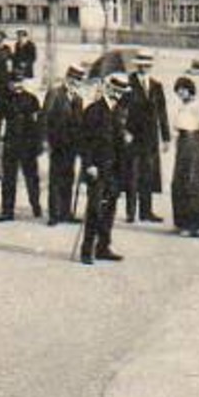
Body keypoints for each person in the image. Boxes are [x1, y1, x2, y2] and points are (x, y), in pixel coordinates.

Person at [79, 74, 128, 265]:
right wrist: (89, 165)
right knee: (94, 209)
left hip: (114, 169)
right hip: (97, 168)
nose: (118, 94)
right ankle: (87, 249)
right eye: (116, 90)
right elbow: (84, 141)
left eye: (122, 91)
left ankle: (103, 247)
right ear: (108, 89)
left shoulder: (119, 111)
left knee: (110, 208)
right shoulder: (93, 110)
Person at [119, 48, 171, 223]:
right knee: (132, 175)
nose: (144, 68)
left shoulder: (157, 86)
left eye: (147, 66)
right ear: (137, 66)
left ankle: (146, 211)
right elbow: (119, 111)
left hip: (150, 138)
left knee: (147, 175)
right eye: (141, 65)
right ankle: (131, 212)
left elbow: (162, 113)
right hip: (132, 137)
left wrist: (166, 137)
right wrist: (124, 131)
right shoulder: (128, 84)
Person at [169, 76, 199, 237]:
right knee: (178, 182)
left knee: (193, 183)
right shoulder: (181, 107)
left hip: (195, 144)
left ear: (189, 90)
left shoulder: (198, 106)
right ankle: (180, 221)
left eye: (183, 90)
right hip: (182, 143)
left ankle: (193, 224)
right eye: (178, 91)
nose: (181, 94)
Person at [43, 65, 86, 225]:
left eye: (79, 81)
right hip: (57, 143)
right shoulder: (55, 94)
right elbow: (45, 117)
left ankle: (66, 212)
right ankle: (54, 214)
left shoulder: (78, 99)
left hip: (72, 146)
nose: (76, 83)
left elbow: (79, 123)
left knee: (68, 178)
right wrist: (45, 141)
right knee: (55, 179)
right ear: (67, 78)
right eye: (74, 79)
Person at [0, 78, 45, 221]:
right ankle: (7, 211)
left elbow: (39, 124)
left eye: (19, 83)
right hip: (10, 144)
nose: (16, 86)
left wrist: (39, 144)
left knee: (32, 178)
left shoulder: (32, 100)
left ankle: (36, 206)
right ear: (9, 84)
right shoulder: (5, 99)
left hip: (28, 144)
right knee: (8, 179)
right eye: (13, 83)